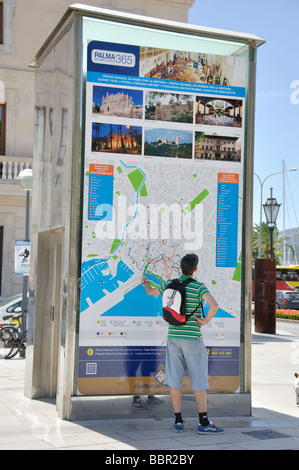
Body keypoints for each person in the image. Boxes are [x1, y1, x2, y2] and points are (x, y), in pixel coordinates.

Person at [141, 253, 224, 434]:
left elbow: (149, 291)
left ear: (181, 267)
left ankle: (178, 421)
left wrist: (146, 282)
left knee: (175, 380)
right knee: (199, 380)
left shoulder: (169, 284)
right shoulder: (198, 287)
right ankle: (203, 422)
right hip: (192, 339)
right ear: (195, 269)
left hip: (173, 337)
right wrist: (205, 320)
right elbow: (214, 305)